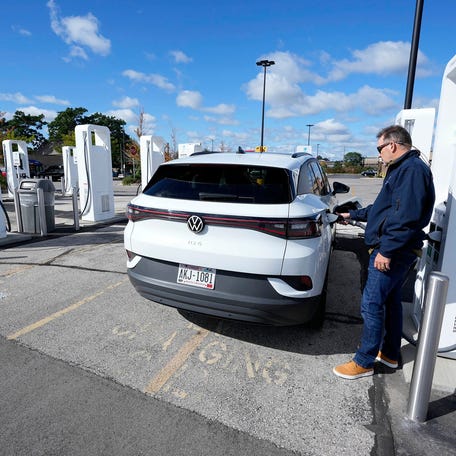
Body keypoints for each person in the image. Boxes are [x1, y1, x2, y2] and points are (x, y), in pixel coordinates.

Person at [333, 125, 435, 380]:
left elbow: (405, 218)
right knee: (389, 302)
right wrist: (350, 215)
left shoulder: (411, 171)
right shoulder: (402, 169)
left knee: (371, 303)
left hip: (394, 250)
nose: (379, 155)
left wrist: (386, 251)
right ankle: (389, 354)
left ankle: (364, 361)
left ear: (392, 145)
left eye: (380, 149)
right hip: (397, 248)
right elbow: (383, 209)